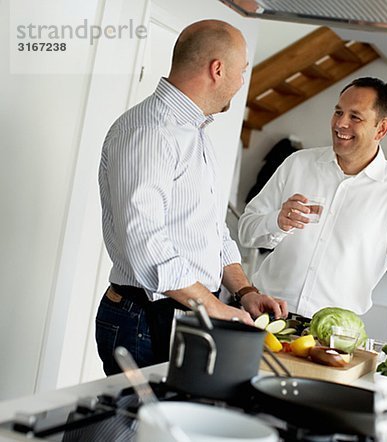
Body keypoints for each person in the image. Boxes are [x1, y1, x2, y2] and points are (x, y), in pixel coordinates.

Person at [96, 20, 287, 376]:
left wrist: (244, 290)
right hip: (143, 318)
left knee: (167, 429)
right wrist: (216, 308)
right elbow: (145, 245)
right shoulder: (150, 132)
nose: (242, 81)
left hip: (180, 313)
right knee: (130, 430)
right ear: (218, 69)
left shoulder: (194, 132)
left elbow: (212, 230)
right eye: (242, 71)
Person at [238, 77, 387, 355]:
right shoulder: (297, 164)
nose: (340, 123)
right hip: (263, 319)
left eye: (355, 117)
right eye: (338, 112)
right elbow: (246, 231)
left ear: (381, 129)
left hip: (333, 340)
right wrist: (277, 221)